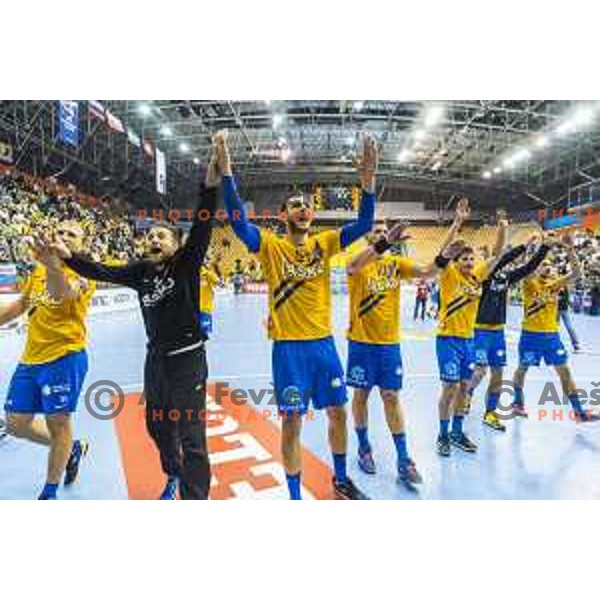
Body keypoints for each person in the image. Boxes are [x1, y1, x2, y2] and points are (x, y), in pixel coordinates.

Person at [45, 154, 219, 499]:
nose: (154, 240)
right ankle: (173, 472)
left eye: (162, 237)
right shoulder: (139, 272)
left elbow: (203, 224)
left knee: (192, 436)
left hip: (188, 360)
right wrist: (67, 256)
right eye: (150, 236)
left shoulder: (186, 264)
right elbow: (101, 271)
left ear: (176, 245)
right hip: (156, 361)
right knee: (157, 427)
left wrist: (209, 188)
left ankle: (195, 498)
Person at [215, 129, 375, 500]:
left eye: (307, 205)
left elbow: (365, 225)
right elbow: (239, 222)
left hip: (323, 346)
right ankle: (294, 497)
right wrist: (226, 169)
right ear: (284, 214)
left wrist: (367, 181)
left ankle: (340, 478)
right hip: (288, 351)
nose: (303, 209)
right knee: (291, 422)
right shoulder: (270, 246)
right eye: (295, 205)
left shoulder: (326, 242)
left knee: (338, 413)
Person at [345, 212, 463, 489]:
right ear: (367, 235)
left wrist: (445, 256)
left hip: (389, 346)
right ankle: (364, 447)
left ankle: (403, 459)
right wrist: (385, 242)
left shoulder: (396, 264)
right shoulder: (358, 260)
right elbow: (352, 266)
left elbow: (427, 271)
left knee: (390, 396)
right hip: (361, 343)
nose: (381, 232)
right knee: (360, 395)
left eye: (384, 229)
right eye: (376, 230)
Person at [1, 221, 94, 499]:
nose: (64, 236)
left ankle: (49, 492)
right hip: (31, 359)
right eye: (61, 232)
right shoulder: (40, 270)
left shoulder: (84, 274)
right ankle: (73, 448)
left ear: (81, 245)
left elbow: (60, 293)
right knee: (16, 424)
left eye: (72, 234)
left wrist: (53, 265)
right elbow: (20, 305)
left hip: (64, 359)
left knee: (58, 424)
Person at [434, 198, 504, 457]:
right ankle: (442, 435)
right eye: (463, 258)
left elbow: (497, 255)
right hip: (448, 339)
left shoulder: (478, 277)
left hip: (468, 341)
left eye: (470, 258)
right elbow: (442, 254)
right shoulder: (449, 274)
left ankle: (457, 431)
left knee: (464, 387)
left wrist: (502, 227)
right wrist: (457, 222)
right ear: (457, 261)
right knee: (450, 388)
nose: (468, 261)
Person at [469, 230, 552, 431]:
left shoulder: (506, 277)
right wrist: (525, 245)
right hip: (480, 330)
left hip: (498, 332)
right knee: (480, 371)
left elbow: (529, 267)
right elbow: (503, 259)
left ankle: (491, 414)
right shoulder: (484, 275)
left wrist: (544, 247)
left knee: (498, 374)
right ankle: (466, 395)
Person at [511, 232, 597, 422]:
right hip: (530, 335)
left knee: (564, 371)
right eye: (544, 265)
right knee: (522, 368)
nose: (547, 268)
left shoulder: (555, 285)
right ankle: (517, 403)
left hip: (551, 337)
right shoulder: (529, 283)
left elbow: (576, 273)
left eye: (550, 266)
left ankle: (579, 412)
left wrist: (569, 249)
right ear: (537, 267)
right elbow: (525, 268)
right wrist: (535, 247)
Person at [557, 285, 581, 353]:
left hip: (560, 309)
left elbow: (562, 297)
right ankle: (576, 344)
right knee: (566, 326)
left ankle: (576, 344)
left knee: (567, 326)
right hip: (561, 308)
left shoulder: (562, 284)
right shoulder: (563, 284)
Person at [200, 259, 220, 338]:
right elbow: (220, 283)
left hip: (204, 308)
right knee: (202, 332)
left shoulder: (208, 274)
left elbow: (219, 282)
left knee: (203, 332)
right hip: (199, 308)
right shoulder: (192, 274)